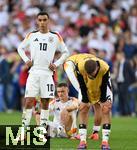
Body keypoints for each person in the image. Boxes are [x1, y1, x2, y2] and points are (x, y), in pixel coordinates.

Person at [17, 11, 69, 140]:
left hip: (47, 74)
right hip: (33, 73)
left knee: (45, 102)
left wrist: (56, 64)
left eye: (44, 20)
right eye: (39, 20)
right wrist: (26, 60)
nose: (42, 22)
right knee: (29, 101)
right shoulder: (32, 35)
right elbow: (20, 48)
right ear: (37, 21)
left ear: (48, 21)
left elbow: (66, 52)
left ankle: (42, 132)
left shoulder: (55, 36)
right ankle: (23, 131)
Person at [64, 53, 113, 150]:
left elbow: (104, 85)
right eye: (88, 74)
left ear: (96, 68)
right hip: (86, 84)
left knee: (106, 109)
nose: (90, 75)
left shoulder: (105, 67)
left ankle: (105, 142)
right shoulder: (80, 67)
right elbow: (81, 85)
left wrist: (103, 100)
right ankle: (82, 141)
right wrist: (85, 100)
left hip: (103, 83)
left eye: (92, 74)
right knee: (83, 109)